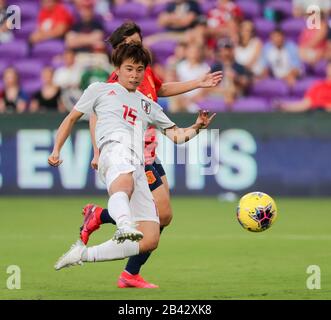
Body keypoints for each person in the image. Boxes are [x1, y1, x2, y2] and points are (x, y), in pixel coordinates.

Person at [49, 42, 216, 273]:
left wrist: (197, 126)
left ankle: (82, 254)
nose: (135, 75)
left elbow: (176, 135)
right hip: (113, 150)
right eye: (129, 68)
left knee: (150, 238)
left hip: (137, 162)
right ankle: (123, 224)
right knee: (124, 183)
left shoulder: (148, 105)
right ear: (117, 68)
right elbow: (70, 119)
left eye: (139, 69)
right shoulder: (99, 90)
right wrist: (57, 149)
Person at [79, 21, 222, 288]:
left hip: (150, 151)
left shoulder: (144, 72)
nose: (136, 47)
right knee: (162, 212)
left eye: (139, 42)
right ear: (120, 47)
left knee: (164, 217)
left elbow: (161, 89)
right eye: (131, 43)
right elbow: (95, 115)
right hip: (133, 154)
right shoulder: (119, 78)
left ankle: (102, 220)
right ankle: (128, 268)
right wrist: (98, 151)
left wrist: (198, 83)